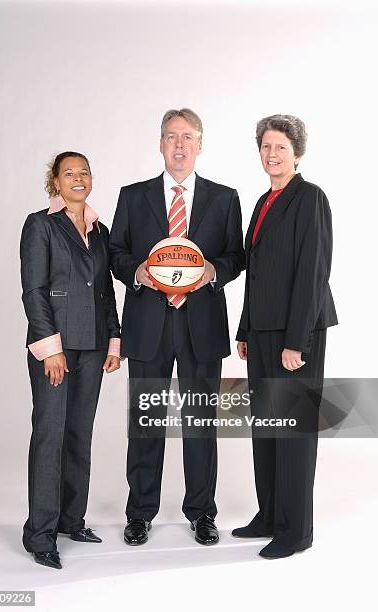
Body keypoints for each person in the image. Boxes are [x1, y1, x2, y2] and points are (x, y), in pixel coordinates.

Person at [109, 108, 245, 546]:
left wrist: (211, 271)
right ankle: (140, 512)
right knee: (146, 421)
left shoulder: (225, 198)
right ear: (160, 144)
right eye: (171, 137)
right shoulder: (133, 196)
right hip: (148, 322)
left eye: (188, 137)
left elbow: (236, 256)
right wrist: (138, 273)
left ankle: (202, 512)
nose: (180, 145)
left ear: (200, 145)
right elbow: (116, 252)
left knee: (200, 423)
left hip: (200, 324)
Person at [233, 115, 338, 559]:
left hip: (297, 333)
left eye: (279, 147)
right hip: (262, 332)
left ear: (297, 152)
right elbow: (256, 273)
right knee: (266, 429)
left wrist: (297, 341)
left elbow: (313, 272)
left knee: (293, 431)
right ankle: (271, 515)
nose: (271, 154)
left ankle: (296, 531)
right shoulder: (263, 201)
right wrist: (245, 329)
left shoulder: (309, 198)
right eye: (265, 147)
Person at [20, 151, 121, 569]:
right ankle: (39, 535)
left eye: (83, 173)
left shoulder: (101, 231)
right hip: (55, 349)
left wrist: (114, 343)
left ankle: (70, 519)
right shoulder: (40, 225)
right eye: (69, 173)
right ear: (55, 182)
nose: (77, 179)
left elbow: (106, 291)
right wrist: (50, 347)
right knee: (50, 436)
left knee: (80, 434)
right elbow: (34, 290)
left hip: (94, 345)